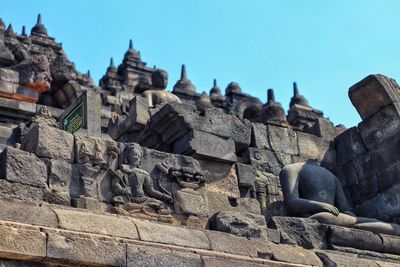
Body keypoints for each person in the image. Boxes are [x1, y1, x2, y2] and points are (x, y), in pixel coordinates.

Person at [279, 160, 400, 236]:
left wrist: (346, 214)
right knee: (357, 222)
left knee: (367, 222)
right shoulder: (293, 169)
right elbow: (292, 203)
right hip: (319, 217)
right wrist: (322, 206)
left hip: (336, 216)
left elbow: (345, 210)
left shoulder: (330, 176)